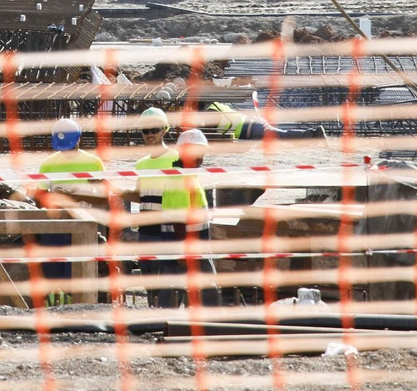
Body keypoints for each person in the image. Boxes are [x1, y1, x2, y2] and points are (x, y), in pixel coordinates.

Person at [34, 117, 106, 307]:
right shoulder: (48, 164)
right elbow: (38, 197)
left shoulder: (93, 163)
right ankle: (56, 310)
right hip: (56, 228)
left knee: (75, 274)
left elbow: (105, 197)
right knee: (53, 274)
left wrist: (77, 198)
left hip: (83, 226)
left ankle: (74, 310)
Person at [159, 128, 219, 309]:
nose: (201, 158)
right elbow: (178, 219)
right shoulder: (180, 178)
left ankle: (165, 323)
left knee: (175, 291)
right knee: (205, 290)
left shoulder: (186, 176)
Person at [134, 107, 181, 307]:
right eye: (146, 131)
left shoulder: (176, 158)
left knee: (170, 283)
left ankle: (168, 320)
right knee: (150, 283)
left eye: (155, 129)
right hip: (146, 231)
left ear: (164, 130)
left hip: (168, 231)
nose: (150, 134)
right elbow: (139, 196)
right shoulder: (141, 164)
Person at [208, 98, 325, 143]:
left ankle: (313, 133)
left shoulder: (211, 112)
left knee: (280, 135)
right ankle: (311, 135)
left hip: (251, 128)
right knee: (280, 135)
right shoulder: (216, 105)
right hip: (253, 124)